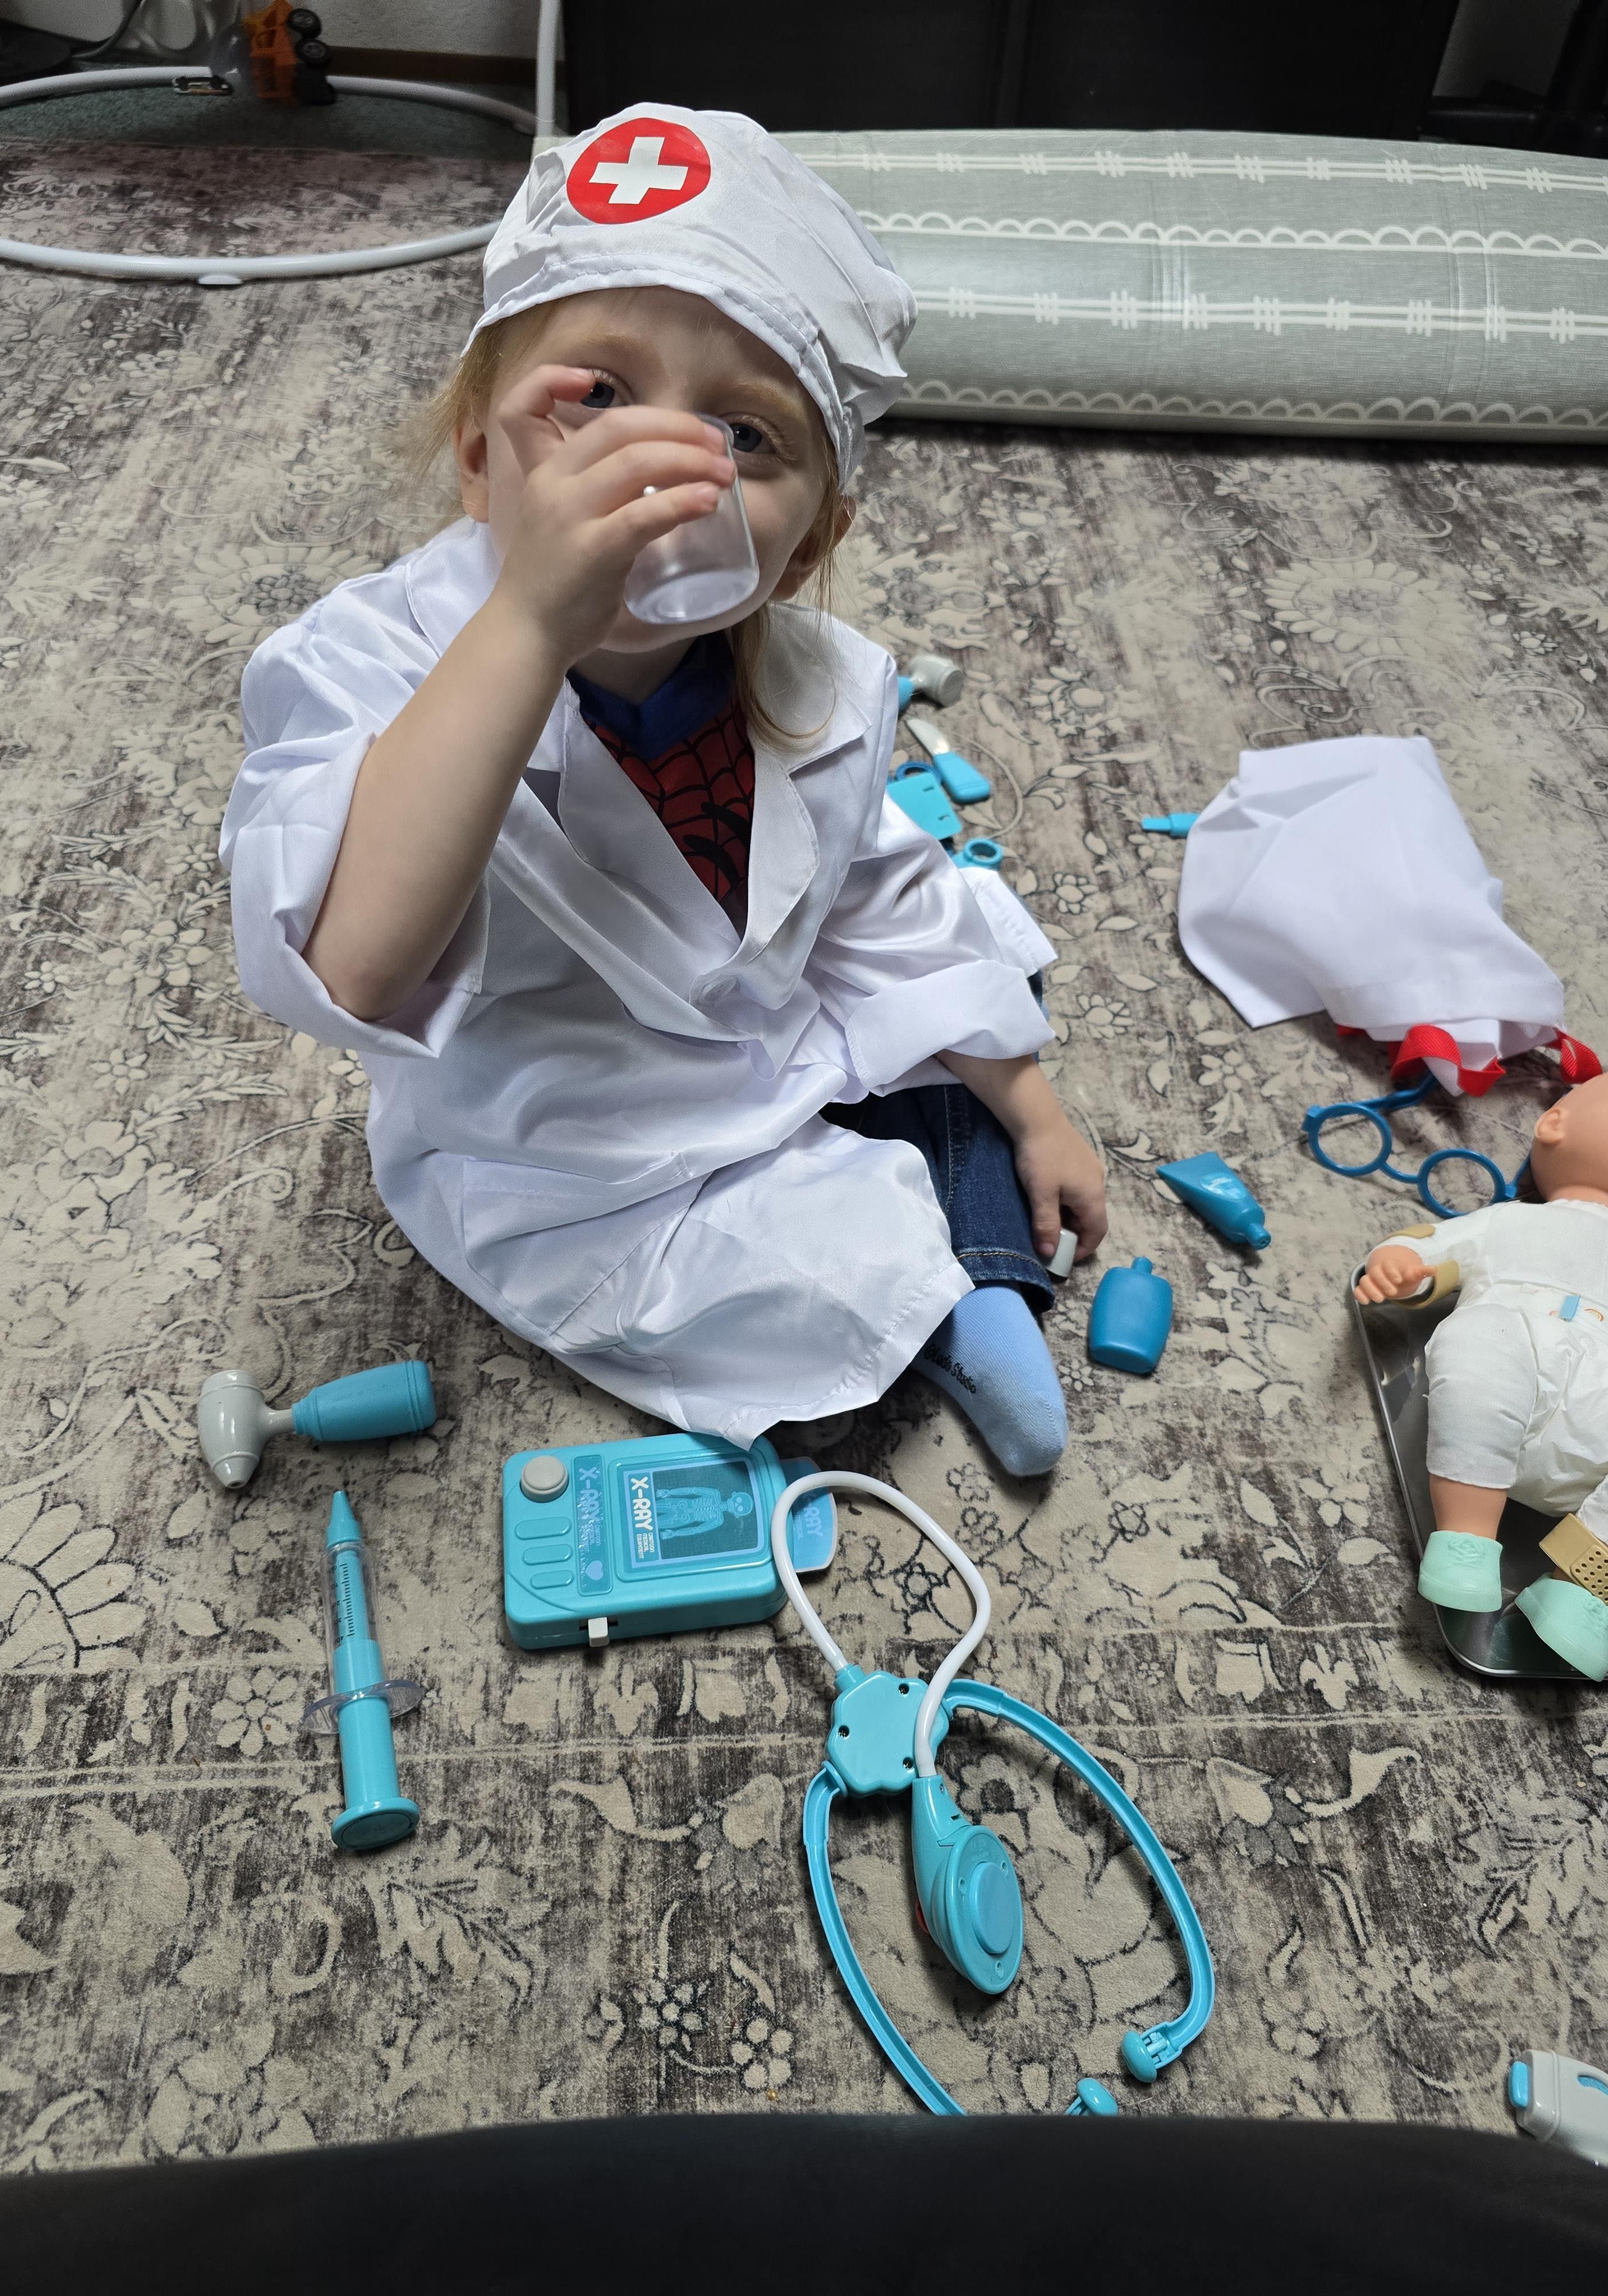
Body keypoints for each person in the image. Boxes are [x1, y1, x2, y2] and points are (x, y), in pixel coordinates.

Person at [222, 105, 1106, 1475]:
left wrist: (1032, 1099)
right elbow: (354, 967)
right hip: (575, 1129)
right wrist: (526, 622)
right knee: (771, 1280)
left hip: (766, 1017)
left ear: (805, 547)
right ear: (477, 455)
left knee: (973, 991)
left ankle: (980, 1244)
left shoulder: (801, 675)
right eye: (596, 398)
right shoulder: (363, 664)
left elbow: (873, 891)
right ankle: (955, 1297)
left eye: (744, 438)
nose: (663, 470)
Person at [1355, 1062, 1608, 1678]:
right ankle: (1468, 1539)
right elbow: (1433, 1249)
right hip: (1509, 1392)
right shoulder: (1514, 1221)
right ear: (1555, 1123)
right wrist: (1401, 1264)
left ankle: (1584, 1588)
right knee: (1482, 1336)